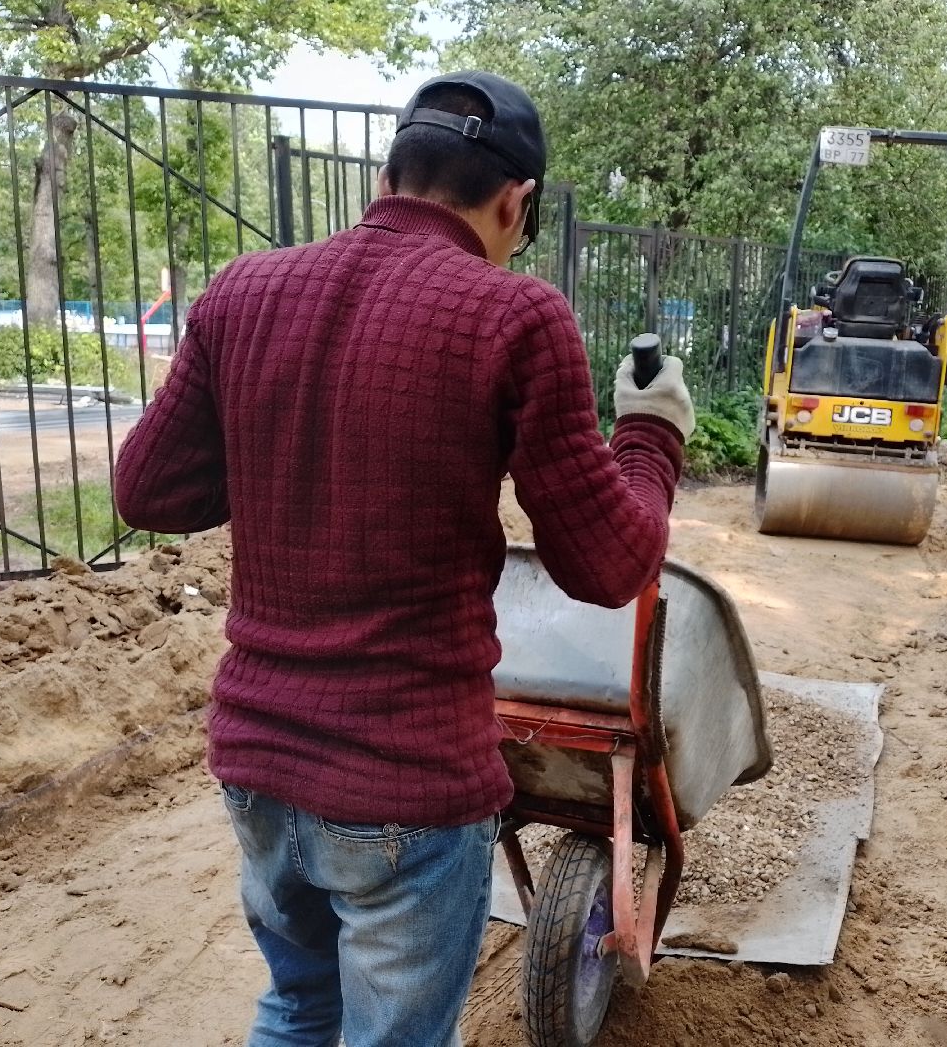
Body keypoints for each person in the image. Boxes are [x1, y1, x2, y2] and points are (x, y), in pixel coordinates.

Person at [113, 71, 695, 1047]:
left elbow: (150, 491)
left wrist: (281, 434)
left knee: (298, 1009)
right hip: (403, 789)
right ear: (518, 204)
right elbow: (607, 565)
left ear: (388, 173)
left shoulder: (244, 291)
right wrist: (650, 434)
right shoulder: (515, 318)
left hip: (258, 766)